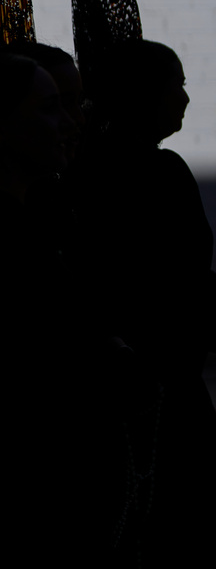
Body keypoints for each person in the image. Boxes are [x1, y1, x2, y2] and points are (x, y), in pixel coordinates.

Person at [72, 38, 216, 567]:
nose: (185, 98)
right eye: (176, 83)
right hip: (162, 394)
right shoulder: (159, 172)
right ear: (144, 93)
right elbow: (185, 287)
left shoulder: (83, 171)